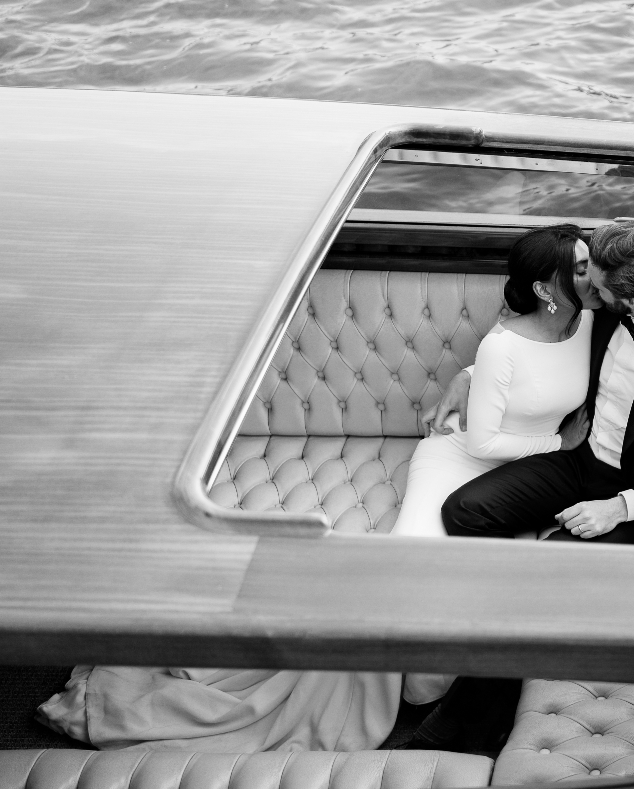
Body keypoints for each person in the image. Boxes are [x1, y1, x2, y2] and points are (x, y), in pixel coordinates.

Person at [36, 225, 598, 753]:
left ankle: (429, 684)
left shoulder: (590, 317)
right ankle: (317, 680)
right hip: (462, 456)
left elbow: (534, 373)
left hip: (517, 467)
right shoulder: (506, 341)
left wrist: (467, 378)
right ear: (547, 288)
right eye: (579, 267)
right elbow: (482, 436)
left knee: (477, 574)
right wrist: (558, 444)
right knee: (408, 569)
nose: (592, 273)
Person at [405, 221, 634, 752]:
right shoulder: (602, 313)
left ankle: (457, 733)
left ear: (628, 298)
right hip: (579, 456)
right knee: (465, 509)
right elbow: (536, 349)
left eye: (598, 288)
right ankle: (503, 621)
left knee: (541, 586)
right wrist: (466, 376)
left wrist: (617, 510)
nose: (589, 295)